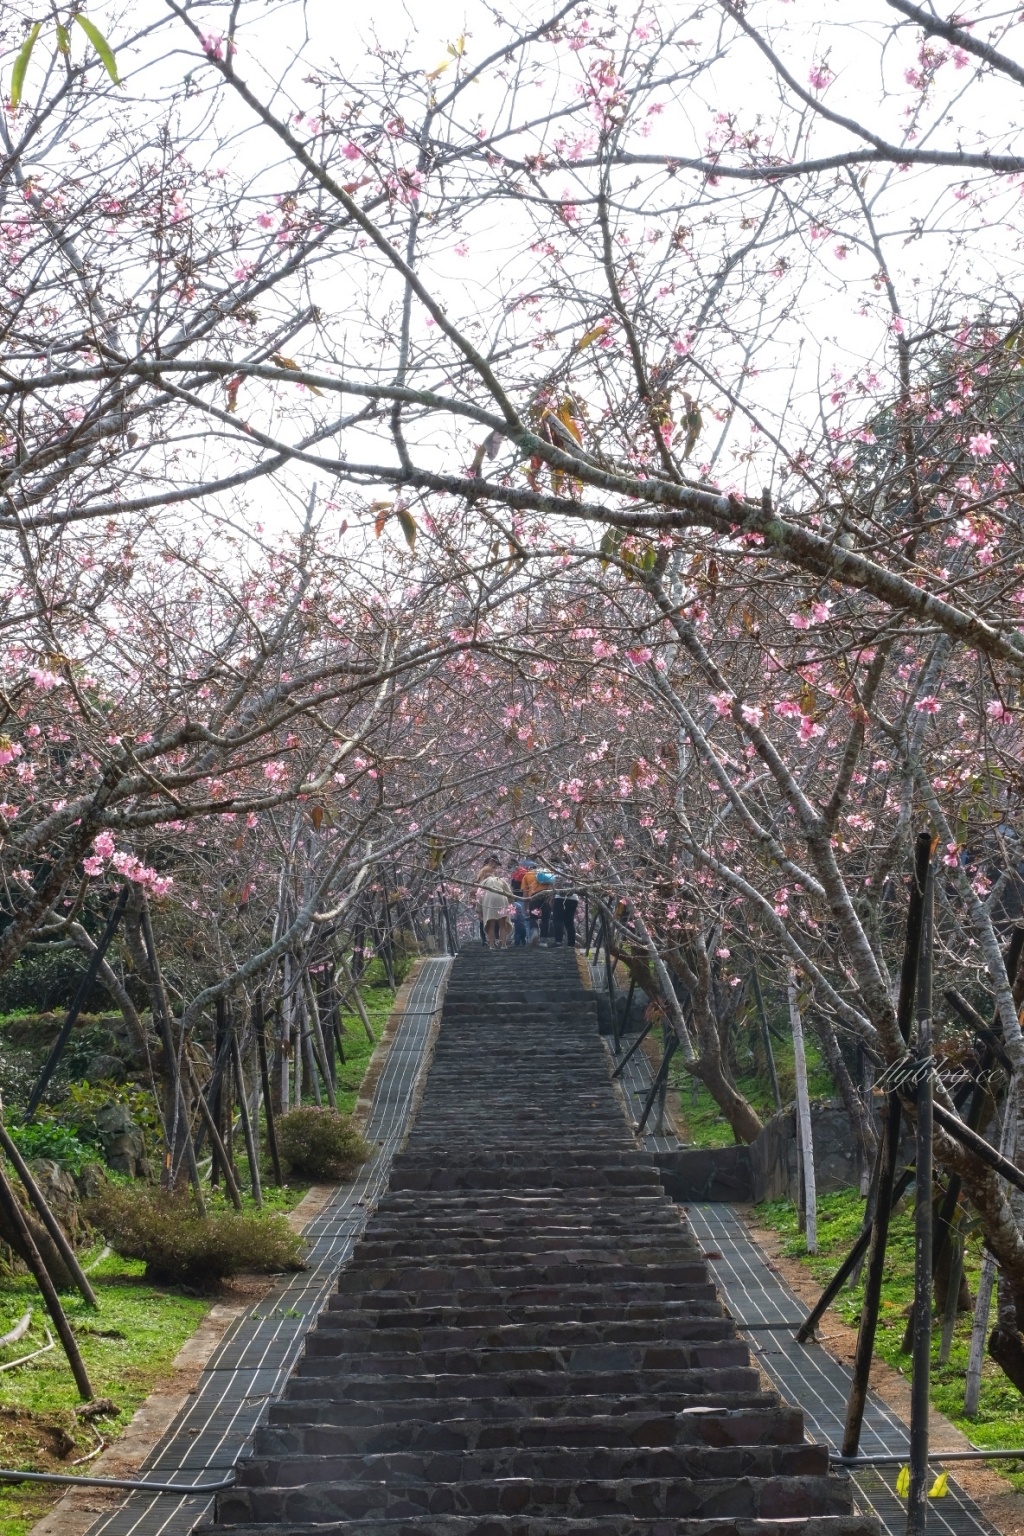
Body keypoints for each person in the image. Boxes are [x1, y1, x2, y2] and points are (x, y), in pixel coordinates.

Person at [479, 868, 514, 949]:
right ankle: (503, 945)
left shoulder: (484, 882)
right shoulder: (500, 880)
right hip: (501, 897)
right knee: (502, 924)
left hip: (489, 899)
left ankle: (491, 945)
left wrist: (479, 911)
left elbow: (479, 896)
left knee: (491, 924)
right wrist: (511, 902)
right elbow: (509, 892)